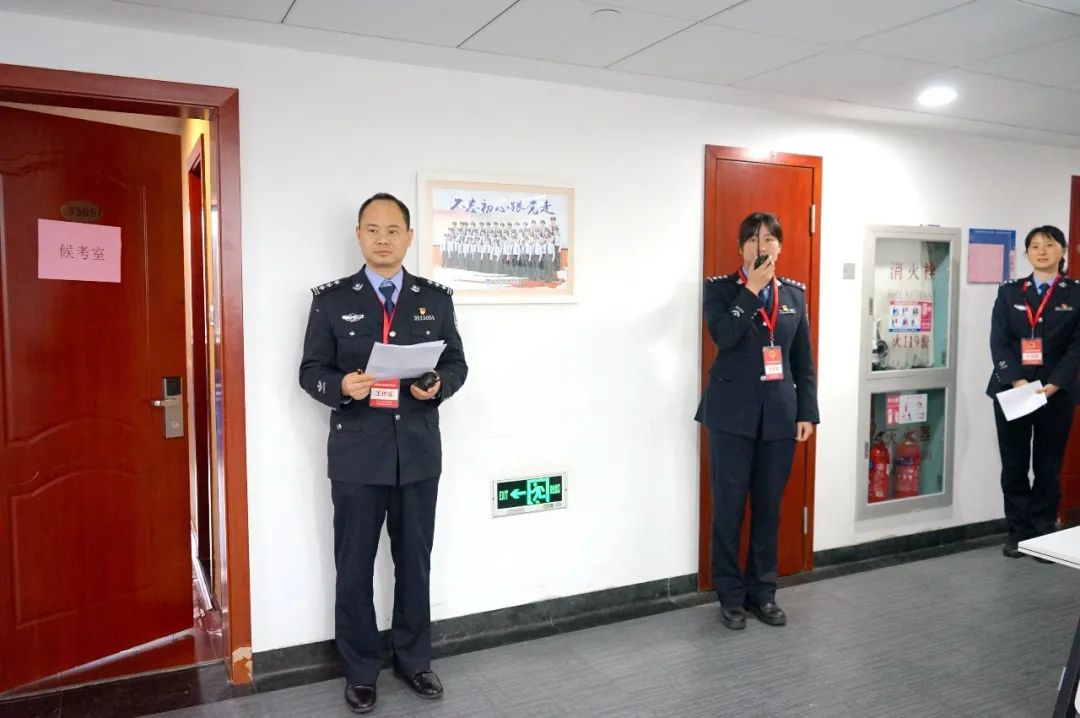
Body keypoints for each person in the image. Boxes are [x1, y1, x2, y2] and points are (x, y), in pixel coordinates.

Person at [299, 192, 468, 714]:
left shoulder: (434, 299)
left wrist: (437, 385)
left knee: (414, 562)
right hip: (357, 456)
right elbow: (310, 372)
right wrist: (341, 386)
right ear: (358, 235)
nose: (383, 239)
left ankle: (414, 661)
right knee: (353, 566)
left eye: (393, 230)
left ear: (409, 237)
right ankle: (360, 670)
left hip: (416, 454)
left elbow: (457, 364)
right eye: (372, 229)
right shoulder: (331, 301)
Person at [695, 211, 819, 631]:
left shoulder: (795, 295)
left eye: (768, 239)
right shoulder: (720, 290)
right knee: (728, 510)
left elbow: (802, 360)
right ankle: (730, 596)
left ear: (780, 247)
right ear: (740, 247)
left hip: (779, 417)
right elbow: (724, 337)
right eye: (752, 239)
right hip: (731, 416)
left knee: (769, 510)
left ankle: (762, 592)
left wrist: (807, 412)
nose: (760, 246)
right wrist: (751, 290)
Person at [988, 225, 1080, 561]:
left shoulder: (1075, 294)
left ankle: (1042, 535)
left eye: (1050, 245)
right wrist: (1017, 382)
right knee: (1013, 466)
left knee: (1048, 466)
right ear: (1027, 253)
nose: (1042, 251)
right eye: (1035, 246)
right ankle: (1018, 534)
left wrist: (1053, 384)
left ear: (1063, 251)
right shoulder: (1010, 292)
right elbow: (998, 341)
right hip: (1012, 392)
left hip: (1056, 393)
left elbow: (1077, 347)